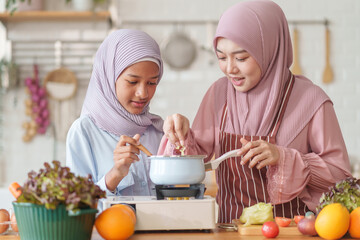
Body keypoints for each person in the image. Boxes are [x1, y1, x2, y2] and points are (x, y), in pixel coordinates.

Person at [158, 0, 352, 223]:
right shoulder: (218, 94)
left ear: (268, 49)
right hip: (230, 230)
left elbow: (340, 178)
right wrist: (179, 134)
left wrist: (284, 157)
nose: (230, 68)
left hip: (291, 233)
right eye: (221, 57)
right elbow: (193, 161)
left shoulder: (311, 100)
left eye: (241, 58)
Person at [66, 29, 164, 197]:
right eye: (133, 81)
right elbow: (76, 208)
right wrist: (115, 175)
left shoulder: (158, 131)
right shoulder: (84, 132)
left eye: (152, 82)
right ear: (109, 77)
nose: (143, 93)